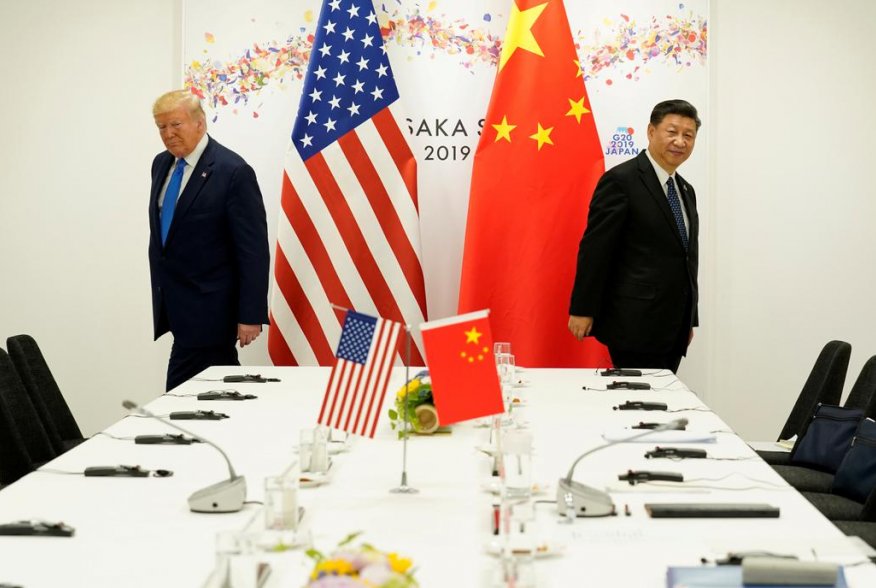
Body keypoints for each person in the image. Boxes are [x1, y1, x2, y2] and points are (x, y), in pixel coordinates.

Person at [148, 90, 270, 391]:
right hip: (177, 305)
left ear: (200, 123)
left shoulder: (233, 172)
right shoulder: (161, 165)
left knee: (179, 398)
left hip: (213, 307)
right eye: (162, 127)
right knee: (215, 393)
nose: (168, 134)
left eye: (175, 124)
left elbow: (253, 250)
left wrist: (250, 315)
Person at [568, 99, 701, 373]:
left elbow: (687, 258)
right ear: (651, 132)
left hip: (674, 327)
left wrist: (689, 319)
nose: (680, 141)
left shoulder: (685, 190)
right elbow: (596, 249)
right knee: (637, 405)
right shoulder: (621, 181)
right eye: (672, 131)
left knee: (662, 402)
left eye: (688, 135)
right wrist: (583, 308)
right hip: (634, 322)